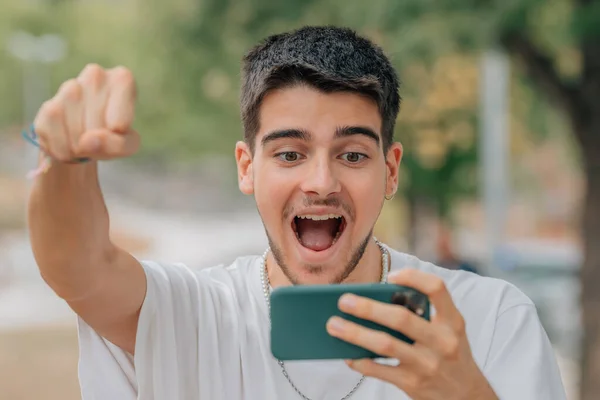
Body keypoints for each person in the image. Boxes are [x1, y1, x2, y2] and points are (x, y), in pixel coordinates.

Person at [27, 26, 567, 399]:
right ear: (247, 167)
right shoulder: (190, 316)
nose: (321, 182)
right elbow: (79, 265)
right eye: (290, 153)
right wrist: (65, 161)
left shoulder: (488, 319)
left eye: (352, 154)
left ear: (391, 170)